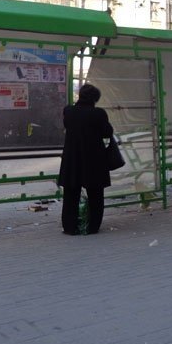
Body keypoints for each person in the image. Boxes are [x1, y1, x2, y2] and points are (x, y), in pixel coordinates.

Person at [58, 83, 114, 235]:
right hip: (93, 160)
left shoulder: (68, 111)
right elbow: (107, 132)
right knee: (96, 195)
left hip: (72, 159)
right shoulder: (98, 114)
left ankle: (70, 227)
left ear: (80, 96)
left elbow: (67, 126)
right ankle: (93, 227)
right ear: (95, 99)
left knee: (71, 195)